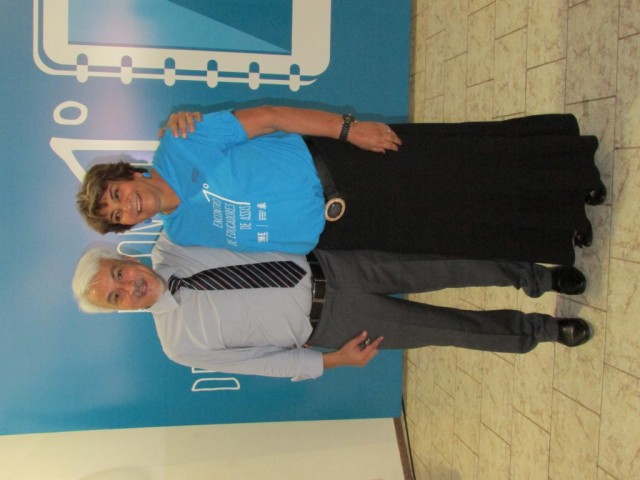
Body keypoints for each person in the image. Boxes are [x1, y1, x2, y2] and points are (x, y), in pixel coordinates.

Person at [77, 106, 605, 265]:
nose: (126, 206)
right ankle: (558, 225)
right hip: (345, 231)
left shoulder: (181, 141)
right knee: (456, 225)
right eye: (117, 216)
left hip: (342, 166)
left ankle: (570, 169)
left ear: (127, 174)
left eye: (116, 194)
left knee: (462, 166)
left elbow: (270, 116)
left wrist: (350, 130)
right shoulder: (181, 234)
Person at [72, 233, 593, 380]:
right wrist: (334, 361)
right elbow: (263, 363)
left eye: (118, 274)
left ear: (125, 257)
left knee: (447, 265)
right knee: (449, 329)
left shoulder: (174, 242)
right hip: (334, 324)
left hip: (334, 266)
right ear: (120, 310)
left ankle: (540, 276)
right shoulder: (179, 345)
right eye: (115, 297)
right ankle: (542, 331)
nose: (128, 287)